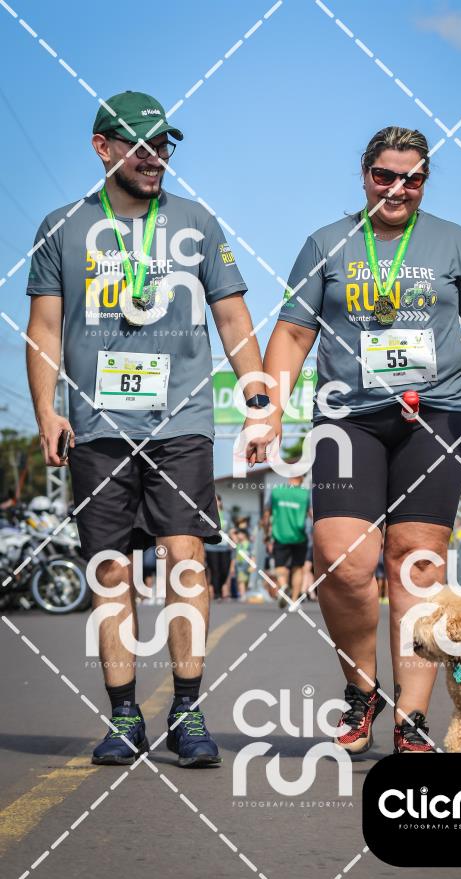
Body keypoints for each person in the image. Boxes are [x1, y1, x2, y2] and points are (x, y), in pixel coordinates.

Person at [263, 126, 461, 753]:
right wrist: (267, 411)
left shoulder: (453, 241)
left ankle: (411, 719)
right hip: (347, 416)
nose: (397, 188)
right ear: (365, 175)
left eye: (412, 178)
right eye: (384, 175)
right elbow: (294, 334)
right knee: (342, 559)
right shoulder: (326, 243)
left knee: (415, 560)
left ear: (425, 181)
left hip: (435, 414)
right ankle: (361, 691)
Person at [26, 91, 272, 767]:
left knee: (184, 559)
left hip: (180, 420)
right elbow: (44, 327)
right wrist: (47, 409)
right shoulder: (62, 227)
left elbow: (232, 318)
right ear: (102, 148)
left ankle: (188, 712)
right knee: (110, 569)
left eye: (163, 145)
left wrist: (258, 399)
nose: (154, 157)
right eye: (139, 146)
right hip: (97, 425)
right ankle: (124, 716)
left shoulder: (196, 222)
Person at [262, 475, 311, 609]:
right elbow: (312, 515)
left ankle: (283, 585)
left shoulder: (277, 491)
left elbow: (266, 514)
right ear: (302, 477)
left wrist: (266, 533)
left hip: (280, 535)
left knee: (280, 565)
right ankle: (294, 602)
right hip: (299, 536)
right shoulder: (305, 494)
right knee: (297, 568)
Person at [205, 495, 233, 601]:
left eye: (218, 500)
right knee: (215, 570)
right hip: (211, 547)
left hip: (225, 547)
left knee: (225, 569)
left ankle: (220, 587)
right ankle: (217, 593)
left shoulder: (227, 515)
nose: (216, 502)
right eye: (214, 500)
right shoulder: (207, 514)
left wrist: (233, 540)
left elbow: (231, 529)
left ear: (221, 502)